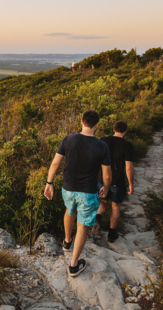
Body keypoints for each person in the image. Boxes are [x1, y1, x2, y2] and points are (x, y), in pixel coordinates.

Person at [44, 110, 112, 277]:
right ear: (97, 125)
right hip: (88, 192)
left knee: (69, 211)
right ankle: (74, 266)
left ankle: (67, 242)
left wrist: (49, 183)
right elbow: (107, 175)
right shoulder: (102, 146)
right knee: (82, 226)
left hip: (67, 188)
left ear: (81, 121)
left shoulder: (68, 139)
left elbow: (55, 164)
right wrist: (106, 188)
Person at [92, 121, 135, 243]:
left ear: (114, 129)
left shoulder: (103, 140)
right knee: (115, 207)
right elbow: (129, 168)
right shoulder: (127, 145)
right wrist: (131, 184)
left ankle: (97, 220)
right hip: (118, 182)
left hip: (102, 180)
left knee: (103, 203)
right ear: (125, 131)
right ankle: (111, 234)